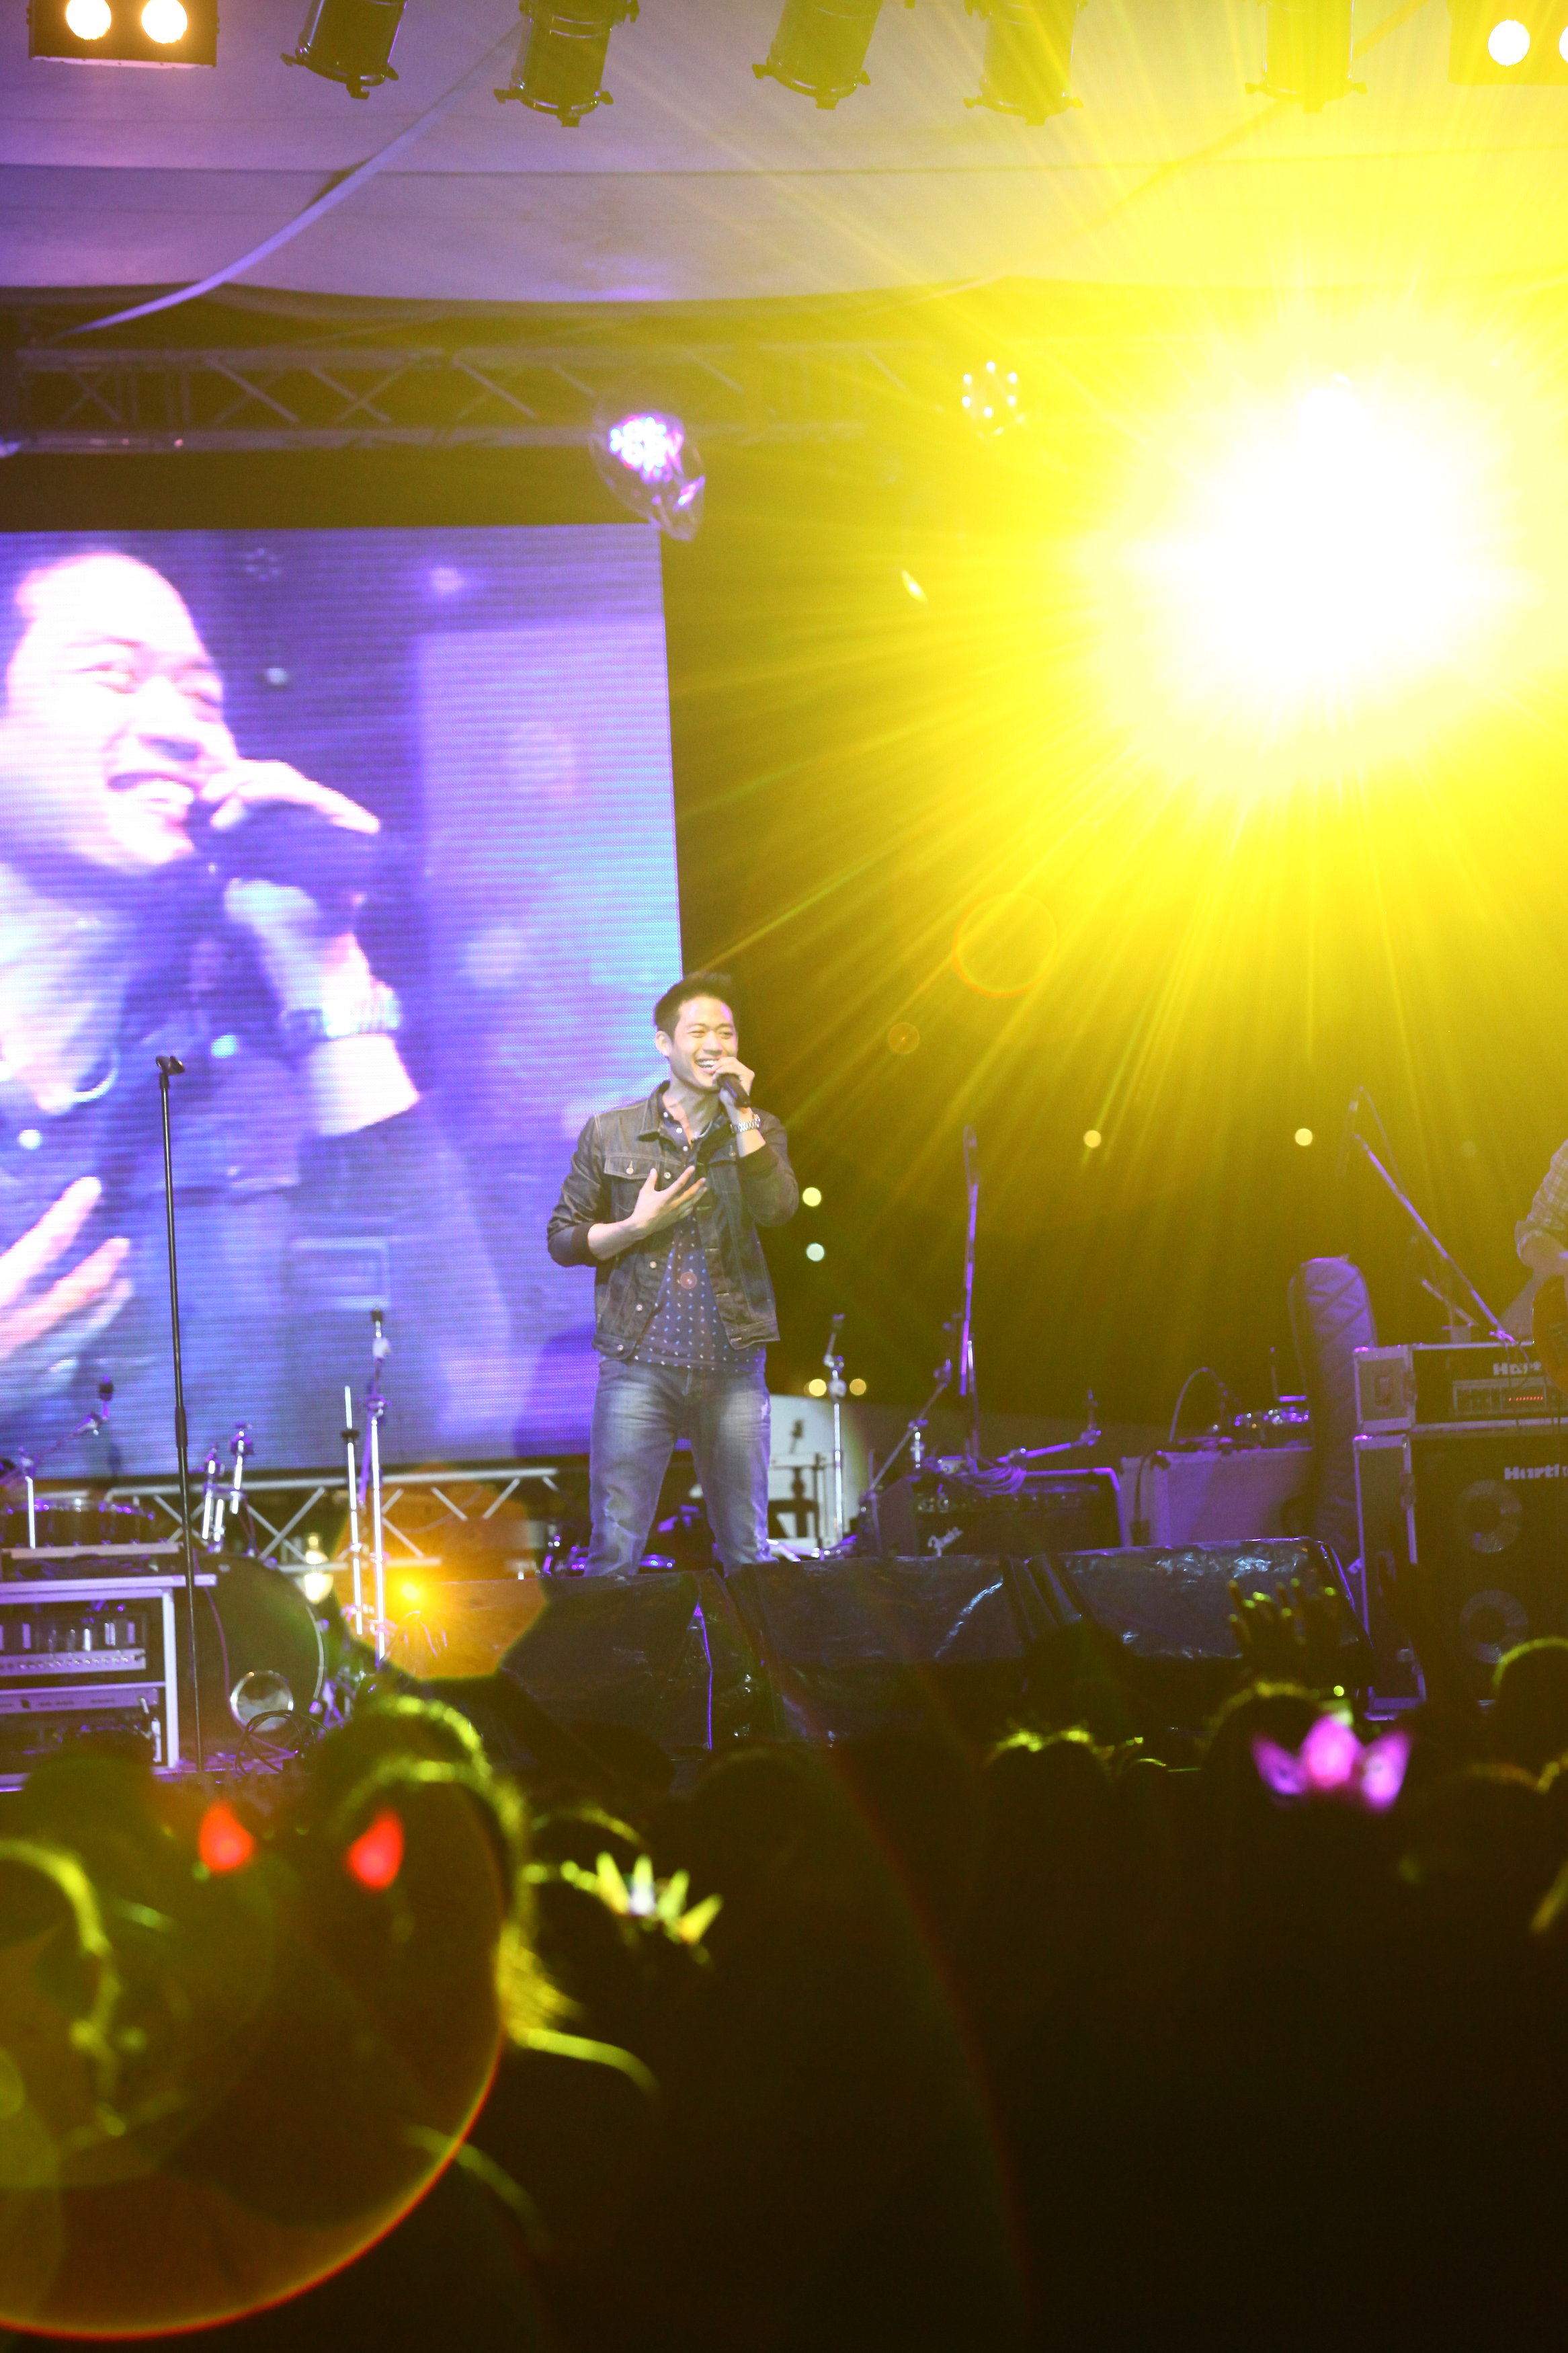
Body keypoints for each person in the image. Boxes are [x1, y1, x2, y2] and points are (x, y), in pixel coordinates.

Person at [0, 543, 505, 1477]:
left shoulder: (242, 1093)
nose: (181, 729)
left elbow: (449, 1400)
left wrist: (324, 964)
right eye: (111, 676)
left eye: (203, 698)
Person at [546, 973, 797, 1574]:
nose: (715, 1044)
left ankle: (748, 1641)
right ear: (664, 1043)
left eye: (726, 1033)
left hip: (733, 1366)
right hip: (639, 1365)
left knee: (746, 1549)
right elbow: (562, 1239)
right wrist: (636, 1226)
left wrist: (742, 1117)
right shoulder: (610, 1131)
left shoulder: (757, 1129)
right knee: (614, 1549)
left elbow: (778, 1210)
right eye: (699, 1031)